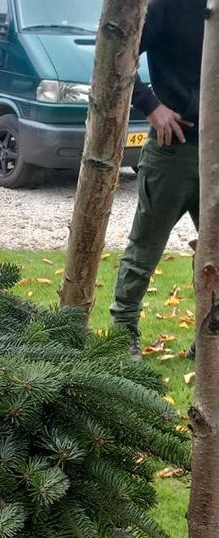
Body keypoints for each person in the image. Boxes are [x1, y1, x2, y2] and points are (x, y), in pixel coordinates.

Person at [110, 0, 206, 360]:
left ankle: (210, 337)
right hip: (173, 151)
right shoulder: (167, 5)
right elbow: (118, 52)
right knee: (144, 250)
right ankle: (123, 334)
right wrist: (151, 106)